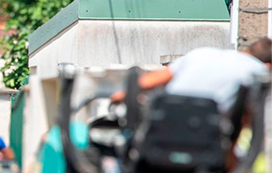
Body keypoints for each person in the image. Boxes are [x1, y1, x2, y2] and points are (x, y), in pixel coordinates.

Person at [111, 37, 271, 115]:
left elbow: (149, 82)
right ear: (268, 66)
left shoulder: (202, 53)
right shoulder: (259, 73)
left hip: (164, 123)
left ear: (248, 50)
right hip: (208, 138)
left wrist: (119, 96)